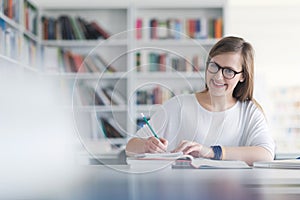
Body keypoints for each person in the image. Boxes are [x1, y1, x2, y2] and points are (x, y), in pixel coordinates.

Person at [126, 36, 275, 165]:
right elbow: (130, 147)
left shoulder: (249, 112)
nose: (218, 76)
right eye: (214, 66)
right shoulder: (179, 105)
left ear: (243, 76)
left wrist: (211, 152)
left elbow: (266, 154)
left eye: (229, 71)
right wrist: (147, 145)